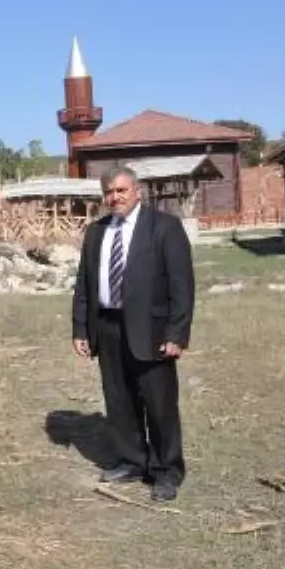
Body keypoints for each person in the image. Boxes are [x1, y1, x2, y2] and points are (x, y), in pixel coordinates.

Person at [71, 165, 195, 502]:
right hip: (107, 327)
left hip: (152, 329)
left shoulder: (164, 227)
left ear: (136, 191)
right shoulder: (97, 232)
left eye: (121, 191)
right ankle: (131, 459)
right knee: (119, 399)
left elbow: (182, 285)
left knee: (159, 403)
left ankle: (166, 470)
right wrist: (81, 328)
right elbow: (84, 284)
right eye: (109, 192)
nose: (114, 198)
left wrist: (177, 333)